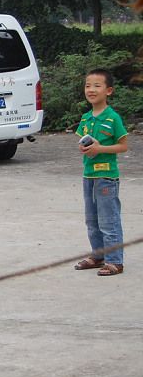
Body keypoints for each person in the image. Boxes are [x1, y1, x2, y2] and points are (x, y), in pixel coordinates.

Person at [73, 68, 128, 276]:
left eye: (97, 86)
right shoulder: (86, 118)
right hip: (88, 176)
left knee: (109, 219)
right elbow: (83, 143)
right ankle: (98, 256)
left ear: (109, 91)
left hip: (106, 177)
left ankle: (115, 261)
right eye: (88, 85)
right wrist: (85, 148)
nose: (91, 90)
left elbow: (123, 146)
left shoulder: (113, 118)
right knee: (92, 219)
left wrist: (100, 149)